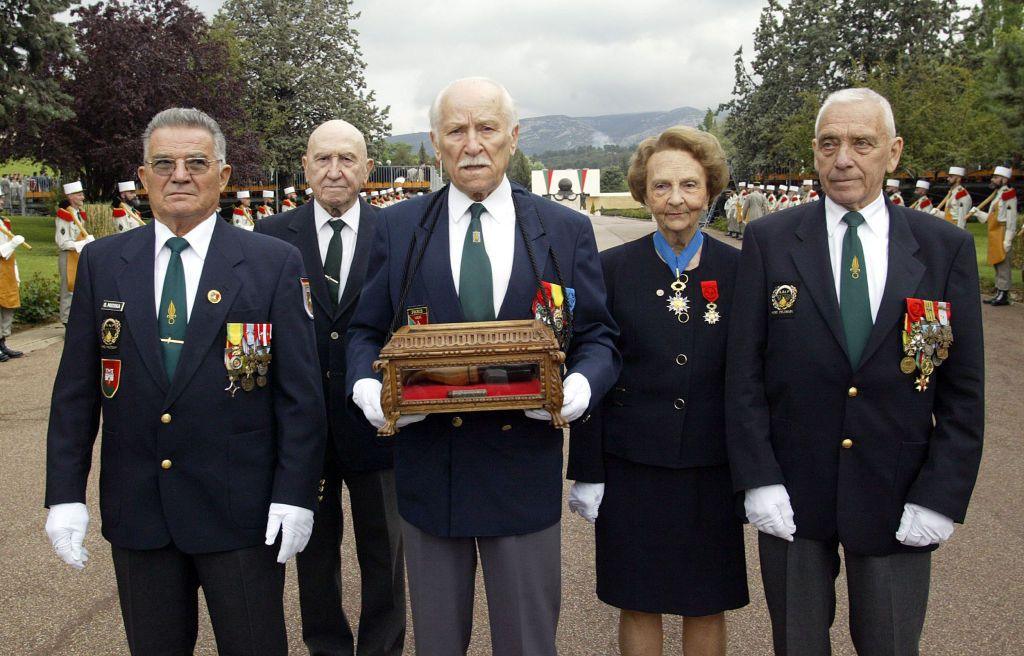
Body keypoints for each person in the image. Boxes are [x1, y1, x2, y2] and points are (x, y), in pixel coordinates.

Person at [346, 77, 620, 656]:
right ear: (436, 142)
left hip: (522, 469)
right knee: (439, 644)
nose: (472, 144)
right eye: (456, 130)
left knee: (526, 643)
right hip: (429, 472)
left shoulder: (562, 231)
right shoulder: (398, 229)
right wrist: (365, 382)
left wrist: (581, 384)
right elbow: (365, 330)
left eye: (487, 128)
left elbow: (597, 335)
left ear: (513, 137)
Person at [43, 107, 326, 656]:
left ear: (221, 177)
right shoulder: (104, 261)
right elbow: (76, 390)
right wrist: (64, 494)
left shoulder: (272, 263)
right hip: (139, 511)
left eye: (196, 162)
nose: (180, 175)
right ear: (144, 178)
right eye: (164, 163)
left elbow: (300, 398)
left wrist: (296, 494)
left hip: (240, 512)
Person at [726, 88, 984, 656]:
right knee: (796, 645)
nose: (843, 158)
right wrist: (759, 477)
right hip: (793, 490)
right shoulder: (770, 241)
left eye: (861, 143)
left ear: (892, 153)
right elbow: (744, 372)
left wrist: (942, 495)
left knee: (890, 645)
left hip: (899, 491)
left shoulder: (944, 248)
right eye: (829, 143)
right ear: (815, 153)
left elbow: (964, 392)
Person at [568, 126, 748, 656]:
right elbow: (592, 365)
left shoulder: (740, 270)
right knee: (638, 599)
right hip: (632, 466)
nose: (676, 199)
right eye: (662, 186)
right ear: (644, 193)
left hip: (711, 467)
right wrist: (588, 469)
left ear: (710, 191)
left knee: (706, 600)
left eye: (690, 185)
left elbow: (751, 376)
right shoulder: (611, 271)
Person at [256, 120, 406, 656]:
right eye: (323, 160)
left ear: (368, 168)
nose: (335, 171)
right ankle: (327, 647)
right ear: (305, 167)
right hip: (304, 431)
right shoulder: (272, 236)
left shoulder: (397, 232)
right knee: (313, 556)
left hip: (377, 425)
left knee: (384, 553)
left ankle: (382, 649)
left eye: (347, 159)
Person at [973, 166, 1017, 306]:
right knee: (997, 263)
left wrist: (1008, 239)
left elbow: (1011, 219)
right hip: (994, 231)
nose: (992, 179)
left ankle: (1004, 293)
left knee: (1003, 263)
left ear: (1004, 179)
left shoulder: (1009, 194)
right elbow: (993, 216)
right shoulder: (997, 194)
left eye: (996, 177)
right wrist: (978, 213)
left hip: (1002, 232)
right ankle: (999, 291)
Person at [56, 181, 95, 326]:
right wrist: (82, 244)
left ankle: (77, 319)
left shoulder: (78, 214)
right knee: (68, 289)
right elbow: (62, 242)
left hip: (78, 255)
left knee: (79, 288)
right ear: (71, 197)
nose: (83, 197)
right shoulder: (64, 215)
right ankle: (67, 321)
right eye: (79, 195)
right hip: (68, 256)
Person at [0, 188, 26, 361]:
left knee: (7, 308)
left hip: (6, 270)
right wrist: (13, 244)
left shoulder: (3, 221)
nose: (2, 201)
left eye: (2, 198)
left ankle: (2, 342)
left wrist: (15, 273)